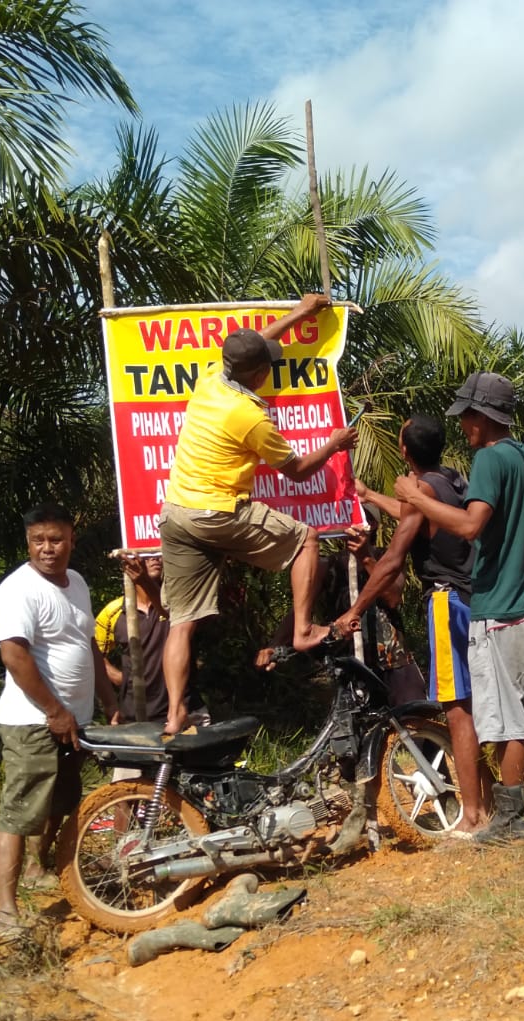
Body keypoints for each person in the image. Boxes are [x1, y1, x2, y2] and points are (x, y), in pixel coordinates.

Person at [159, 294, 358, 734]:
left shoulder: (213, 378)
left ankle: (175, 713)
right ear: (258, 374)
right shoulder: (249, 416)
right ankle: (303, 629)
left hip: (176, 513)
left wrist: (301, 314)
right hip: (215, 512)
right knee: (306, 537)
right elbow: (300, 472)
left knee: (182, 623)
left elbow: (257, 343)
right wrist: (335, 443)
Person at [393, 373, 524, 845]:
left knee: (509, 720)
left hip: (501, 605)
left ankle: (511, 817)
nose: (464, 426)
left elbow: (470, 526)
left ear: (484, 416)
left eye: (468, 416)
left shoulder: (489, 459)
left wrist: (412, 498)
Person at [346, 414, 492, 834]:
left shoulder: (421, 490)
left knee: (457, 709)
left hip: (446, 601)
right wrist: (371, 493)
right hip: (474, 598)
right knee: (475, 704)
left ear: (405, 450)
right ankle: (489, 795)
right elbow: (418, 515)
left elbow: (393, 558)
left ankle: (472, 815)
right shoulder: (453, 481)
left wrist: (355, 610)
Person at [0, 503, 121, 941]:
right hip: (33, 722)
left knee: (62, 800)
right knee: (20, 812)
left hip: (72, 720)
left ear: (71, 540)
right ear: (28, 543)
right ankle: (5, 914)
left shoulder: (77, 583)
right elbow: (14, 656)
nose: (48, 549)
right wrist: (54, 710)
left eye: (56, 539)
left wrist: (109, 700)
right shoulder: (17, 591)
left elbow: (88, 649)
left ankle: (36, 867)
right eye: (39, 541)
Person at [258, 523, 427, 707]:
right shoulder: (327, 566)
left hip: (393, 660)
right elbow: (300, 610)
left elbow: (393, 597)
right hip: (349, 663)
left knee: (413, 723)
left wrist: (366, 558)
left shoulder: (386, 558)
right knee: (358, 727)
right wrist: (275, 645)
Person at [102, 553, 209, 780]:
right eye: (147, 554)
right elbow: (93, 652)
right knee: (125, 794)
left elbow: (169, 613)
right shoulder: (113, 612)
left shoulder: (183, 602)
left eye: (160, 554)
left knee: (191, 794)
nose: (155, 559)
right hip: (133, 721)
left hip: (184, 715)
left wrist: (143, 581)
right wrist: (120, 680)